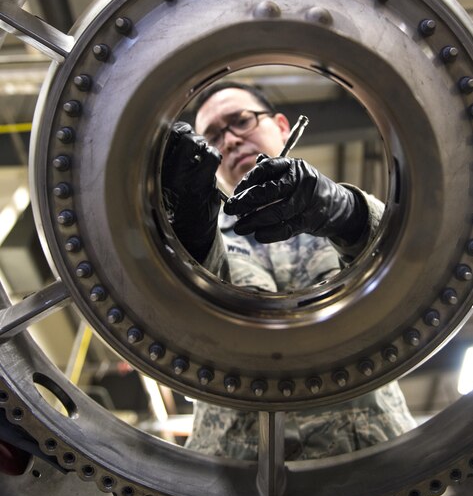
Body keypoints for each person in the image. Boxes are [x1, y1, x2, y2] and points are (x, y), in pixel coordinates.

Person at [162, 81, 415, 459]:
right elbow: (180, 341)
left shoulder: (349, 214)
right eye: (212, 136)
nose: (229, 140)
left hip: (370, 451)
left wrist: (347, 212)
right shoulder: (193, 238)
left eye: (241, 121)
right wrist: (192, 239)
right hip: (232, 468)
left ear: (282, 125)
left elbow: (412, 274)